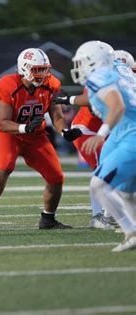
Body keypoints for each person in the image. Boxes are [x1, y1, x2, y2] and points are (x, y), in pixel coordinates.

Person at [0, 48, 82, 231]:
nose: (42, 74)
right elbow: (2, 123)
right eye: (37, 69)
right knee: (4, 168)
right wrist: (24, 128)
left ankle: (48, 219)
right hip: (10, 134)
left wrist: (65, 131)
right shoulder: (8, 84)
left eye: (44, 69)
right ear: (24, 68)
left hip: (36, 136)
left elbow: (56, 116)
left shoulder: (52, 84)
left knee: (56, 177)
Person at [52, 49, 136, 229]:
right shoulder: (104, 77)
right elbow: (92, 101)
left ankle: (111, 215)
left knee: (114, 172)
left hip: (109, 131)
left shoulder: (121, 78)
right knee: (104, 171)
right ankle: (99, 216)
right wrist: (68, 99)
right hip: (87, 130)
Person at [70, 40, 136, 252]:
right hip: (121, 133)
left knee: (99, 185)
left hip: (129, 133)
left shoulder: (100, 75)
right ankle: (132, 232)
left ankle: (131, 231)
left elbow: (118, 106)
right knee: (124, 192)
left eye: (82, 62)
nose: (79, 67)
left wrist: (100, 134)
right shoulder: (122, 71)